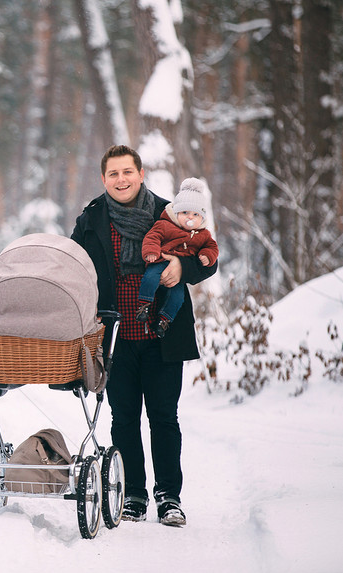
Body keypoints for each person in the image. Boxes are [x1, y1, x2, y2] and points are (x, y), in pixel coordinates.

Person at [70, 145, 218, 527]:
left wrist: (181, 268)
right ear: (104, 179)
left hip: (162, 333)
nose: (121, 180)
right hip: (114, 335)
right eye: (113, 174)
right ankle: (133, 493)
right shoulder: (90, 220)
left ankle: (169, 497)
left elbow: (208, 256)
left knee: (164, 417)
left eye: (127, 172)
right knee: (123, 419)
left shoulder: (170, 212)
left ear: (140, 174)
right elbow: (74, 268)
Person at [136, 177, 219, 338]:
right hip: (160, 261)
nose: (190, 218)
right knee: (150, 278)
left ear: (201, 218)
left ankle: (164, 320)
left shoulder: (203, 234)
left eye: (195, 214)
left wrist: (207, 256)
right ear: (176, 212)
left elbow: (212, 247)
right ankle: (144, 304)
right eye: (185, 213)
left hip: (180, 274)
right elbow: (152, 237)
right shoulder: (165, 224)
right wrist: (151, 252)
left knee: (178, 297)